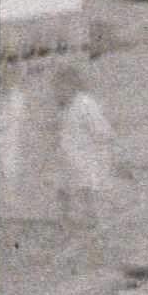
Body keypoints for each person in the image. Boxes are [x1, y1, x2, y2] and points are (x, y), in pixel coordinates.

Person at [52, 62, 115, 228]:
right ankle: (64, 218)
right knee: (63, 187)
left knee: (86, 187)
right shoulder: (63, 106)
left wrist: (100, 147)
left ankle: (95, 218)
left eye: (63, 87)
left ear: (74, 85)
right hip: (66, 153)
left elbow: (101, 129)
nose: (59, 92)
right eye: (58, 88)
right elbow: (59, 129)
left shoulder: (86, 104)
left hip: (84, 153)